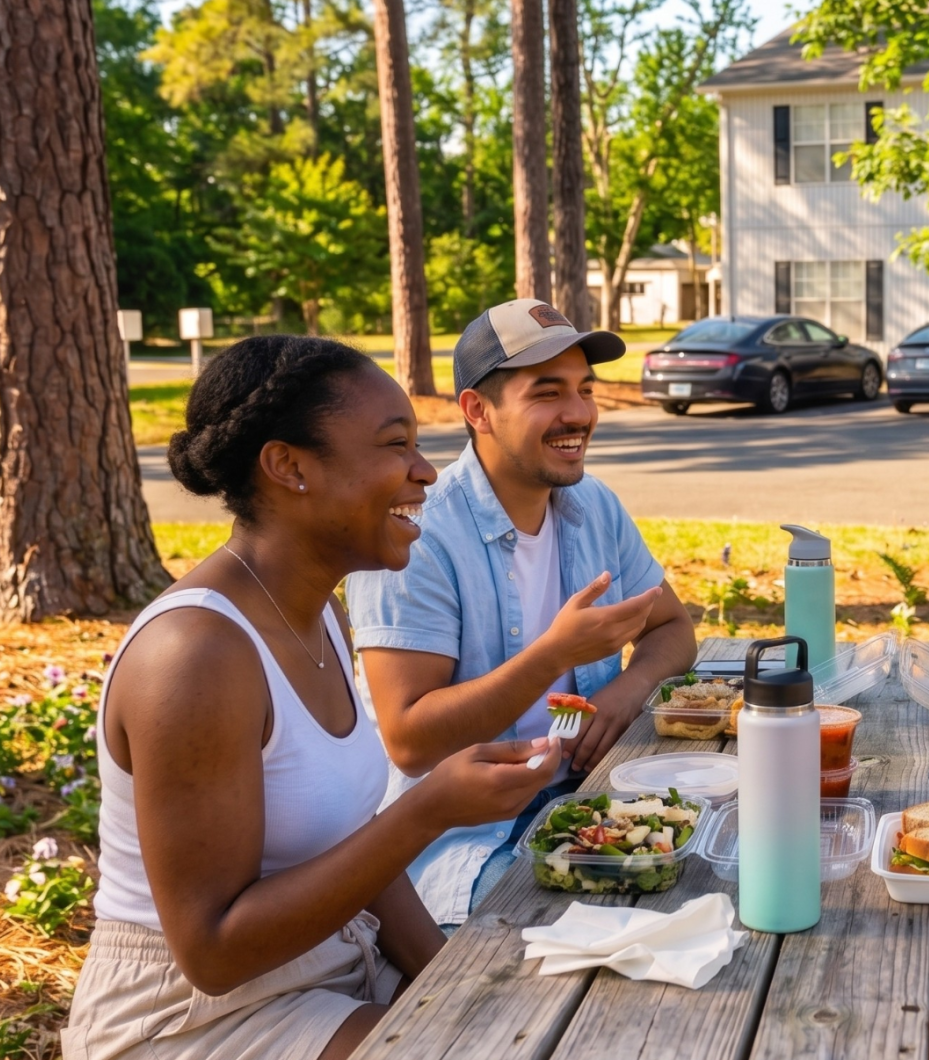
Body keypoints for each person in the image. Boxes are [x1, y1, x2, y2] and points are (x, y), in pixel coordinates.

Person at [62, 337, 559, 1060]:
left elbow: (353, 852)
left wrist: (460, 986)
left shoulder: (316, 611)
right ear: (288, 467)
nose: (424, 472)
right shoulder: (196, 654)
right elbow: (214, 954)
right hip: (193, 1017)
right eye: (396, 446)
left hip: (332, 965)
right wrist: (429, 809)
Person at [348, 298, 697, 930]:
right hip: (468, 841)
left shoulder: (592, 503)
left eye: (585, 389)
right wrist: (553, 655)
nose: (579, 414)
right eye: (547, 393)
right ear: (477, 411)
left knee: (720, 875)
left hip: (593, 797)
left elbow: (673, 628)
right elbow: (407, 740)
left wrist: (628, 689)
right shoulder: (416, 534)